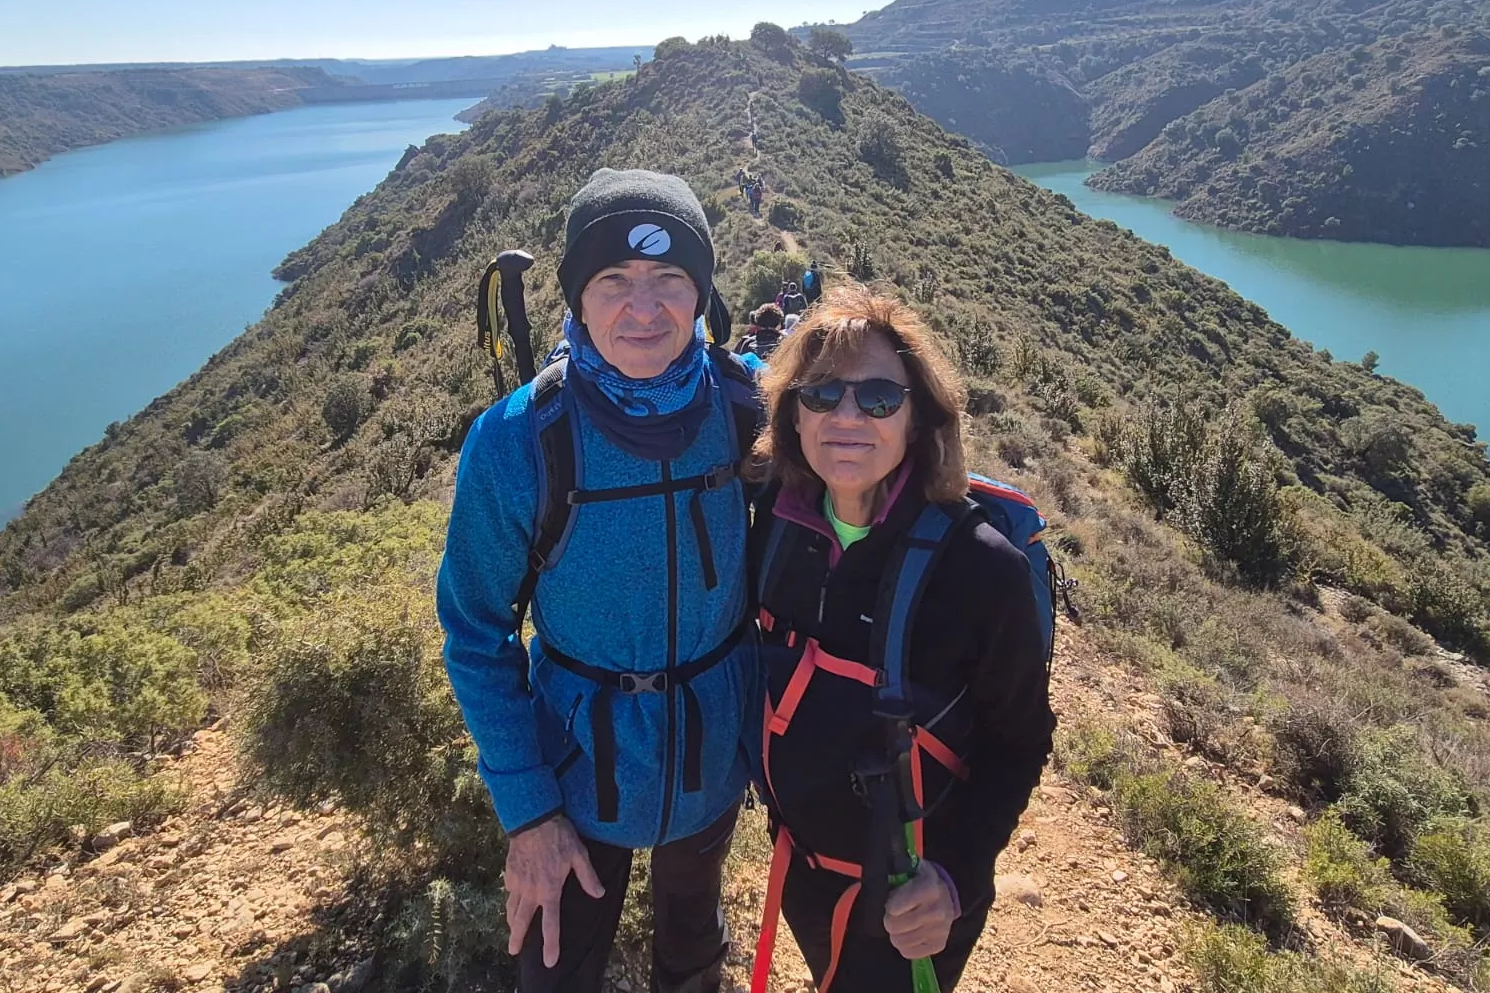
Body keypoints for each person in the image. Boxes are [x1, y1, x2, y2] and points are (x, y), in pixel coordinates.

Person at [437, 168, 762, 993]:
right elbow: (476, 633)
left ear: (702, 297)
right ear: (577, 299)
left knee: (693, 944)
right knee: (556, 970)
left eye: (669, 279)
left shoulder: (750, 412)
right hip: (576, 775)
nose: (642, 308)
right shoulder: (518, 441)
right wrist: (530, 813)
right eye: (613, 281)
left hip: (712, 755)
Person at [746, 285, 1055, 992]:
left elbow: (1021, 739)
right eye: (821, 394)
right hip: (802, 870)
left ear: (919, 420)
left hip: (913, 905)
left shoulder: (980, 569)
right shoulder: (773, 523)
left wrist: (956, 874)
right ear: (792, 412)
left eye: (880, 398)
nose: (847, 417)